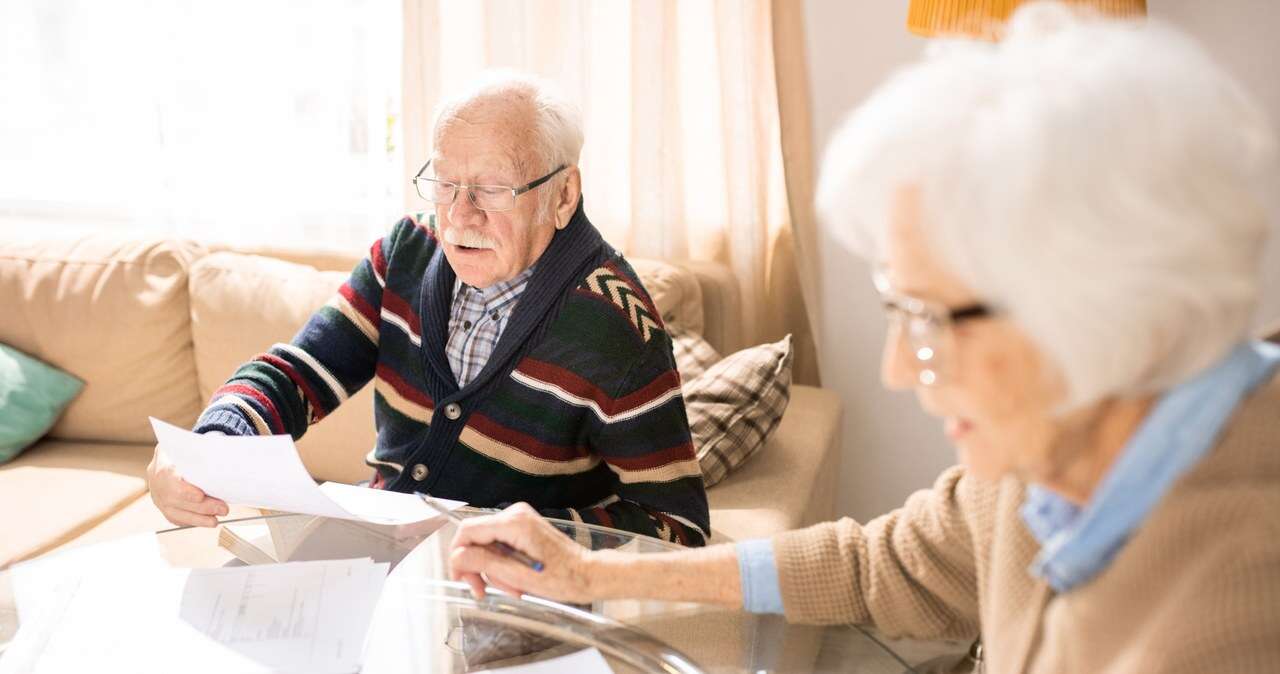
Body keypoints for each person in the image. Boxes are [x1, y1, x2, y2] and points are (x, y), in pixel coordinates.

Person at [446, 6, 1280, 672]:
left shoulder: (1232, 623)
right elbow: (876, 565)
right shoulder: (1045, 460)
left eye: (925, 318)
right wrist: (594, 572)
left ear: (1085, 309)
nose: (895, 370)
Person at [146, 72, 710, 547]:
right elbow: (298, 374)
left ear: (562, 196)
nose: (460, 216)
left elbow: (678, 526)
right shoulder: (406, 253)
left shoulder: (617, 327)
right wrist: (212, 447)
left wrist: (536, 541)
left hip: (510, 599)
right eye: (445, 182)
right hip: (377, 552)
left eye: (491, 189)